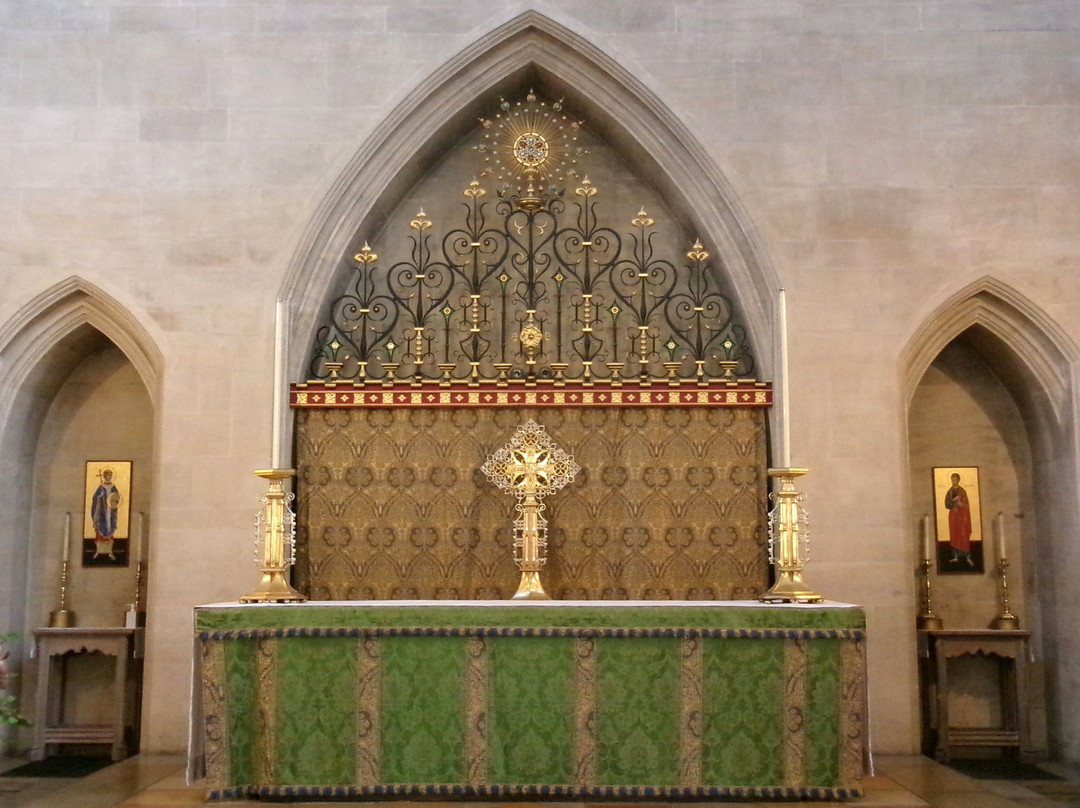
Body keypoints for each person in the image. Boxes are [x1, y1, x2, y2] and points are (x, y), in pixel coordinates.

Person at [91, 468, 122, 560]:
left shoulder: (113, 487)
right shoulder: (101, 487)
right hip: (102, 512)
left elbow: (117, 497)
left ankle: (110, 552)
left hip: (110, 512)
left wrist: (113, 502)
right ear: (104, 476)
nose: (109, 477)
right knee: (100, 530)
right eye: (108, 475)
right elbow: (95, 499)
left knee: (110, 531)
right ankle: (98, 551)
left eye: (110, 475)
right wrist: (99, 496)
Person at [943, 472, 974, 567]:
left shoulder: (962, 491)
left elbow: (966, 503)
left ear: (958, 480)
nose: (953, 481)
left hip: (962, 516)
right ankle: (955, 556)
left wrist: (959, 501)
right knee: (954, 534)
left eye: (955, 479)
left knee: (963, 534)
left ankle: (967, 557)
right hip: (953, 516)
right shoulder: (950, 491)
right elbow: (947, 504)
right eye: (952, 479)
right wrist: (952, 502)